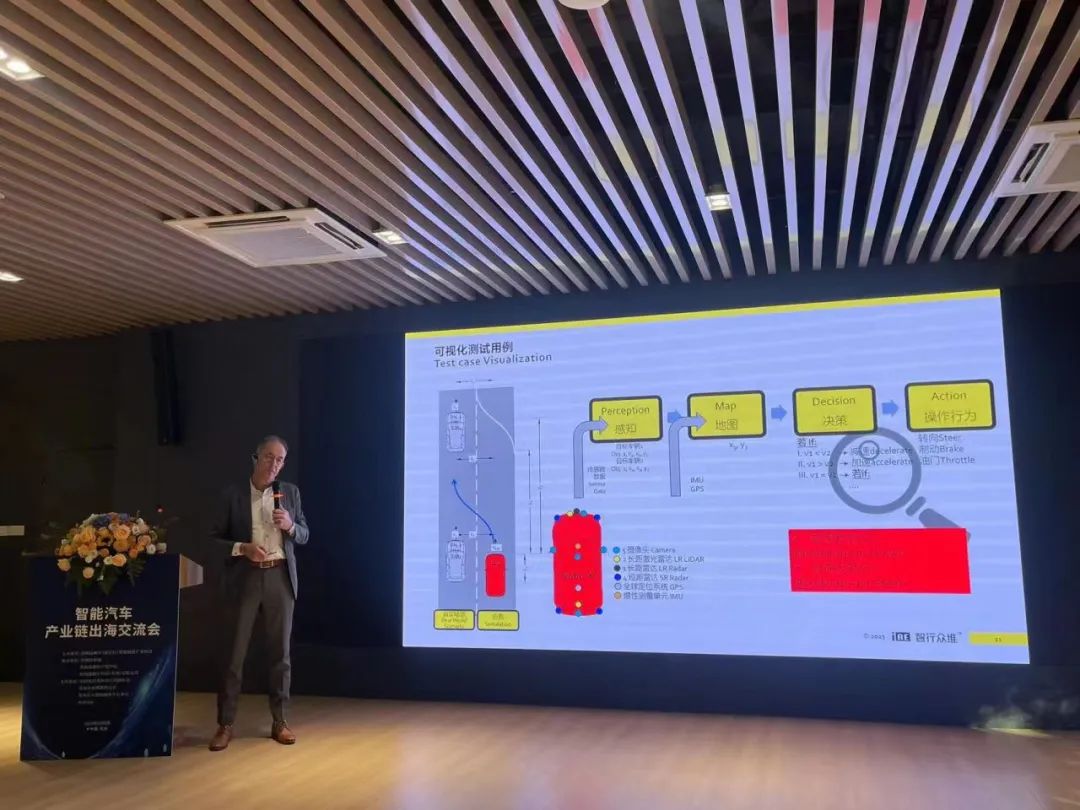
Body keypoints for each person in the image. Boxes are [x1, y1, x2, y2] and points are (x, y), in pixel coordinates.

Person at [208, 435, 309, 751]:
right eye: (269, 457)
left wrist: (290, 525)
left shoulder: (290, 493)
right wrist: (243, 548)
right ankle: (225, 724)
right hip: (246, 577)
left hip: (280, 577)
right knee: (234, 655)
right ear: (255, 458)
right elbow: (212, 540)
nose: (274, 464)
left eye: (280, 460)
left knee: (281, 655)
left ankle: (280, 721)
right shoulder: (233, 495)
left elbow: (304, 534)